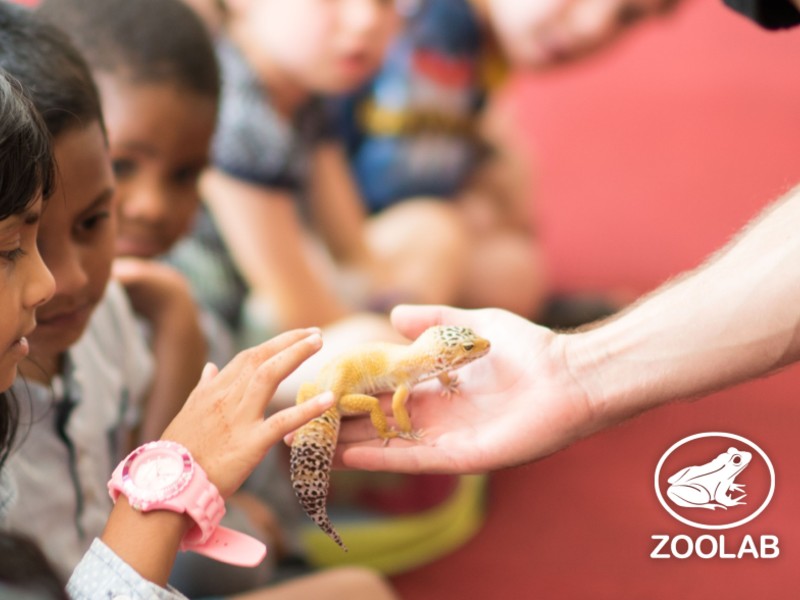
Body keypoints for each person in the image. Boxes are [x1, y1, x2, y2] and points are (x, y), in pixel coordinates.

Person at [0, 4, 397, 599]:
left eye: (91, 222)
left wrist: (177, 322)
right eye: (11, 249)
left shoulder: (115, 316)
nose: (59, 280)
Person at [335, 0, 681, 320]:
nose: (594, 26)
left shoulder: (481, 52)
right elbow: (316, 132)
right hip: (328, 238)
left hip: (392, 232)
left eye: (627, 17)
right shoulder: (406, 19)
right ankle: (377, 354)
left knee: (512, 273)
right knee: (433, 231)